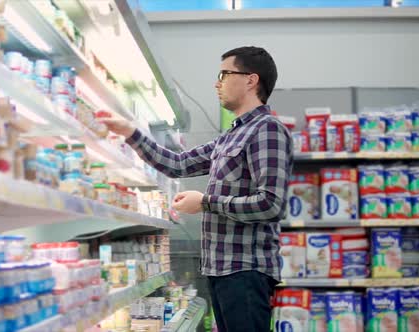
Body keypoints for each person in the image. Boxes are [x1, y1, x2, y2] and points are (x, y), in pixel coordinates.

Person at [102, 46, 293, 332]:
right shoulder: (230, 136)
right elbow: (177, 163)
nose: (217, 83)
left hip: (246, 270)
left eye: (224, 74)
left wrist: (205, 202)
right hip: (221, 269)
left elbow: (271, 204)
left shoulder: (267, 130)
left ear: (251, 80)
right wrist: (131, 133)